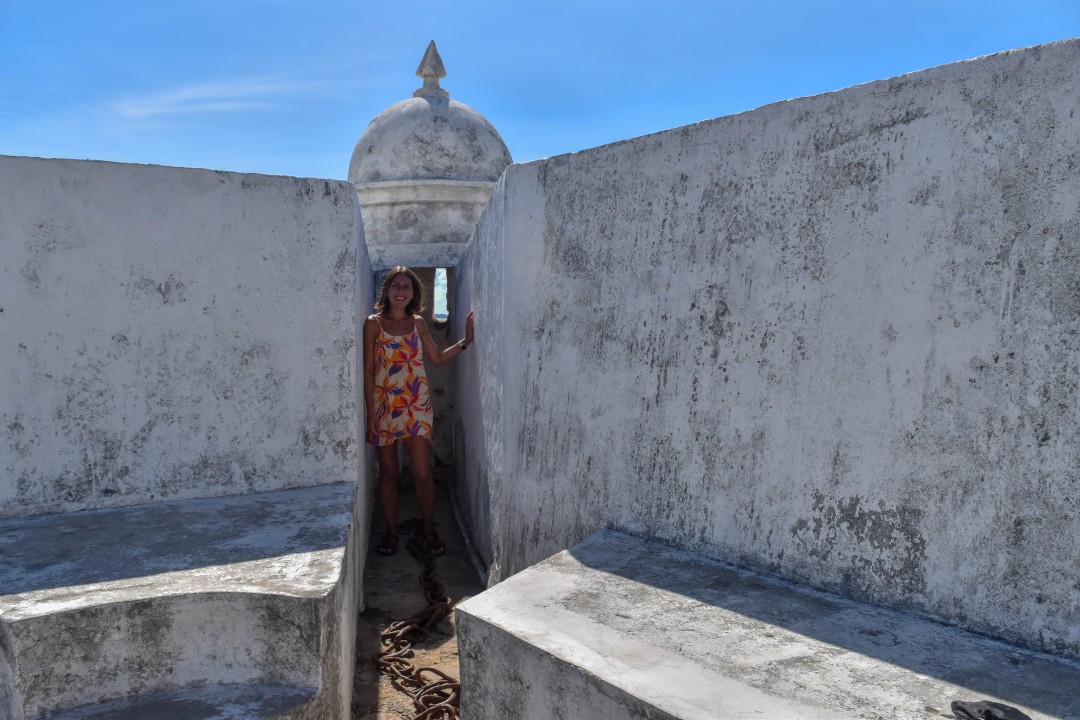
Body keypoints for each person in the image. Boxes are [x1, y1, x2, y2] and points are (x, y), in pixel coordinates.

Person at [363, 266, 474, 557]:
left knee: (422, 473)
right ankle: (390, 532)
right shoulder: (373, 324)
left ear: (414, 294)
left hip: (416, 405)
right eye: (396, 285)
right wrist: (371, 415)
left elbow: (436, 359)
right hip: (385, 405)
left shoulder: (418, 324)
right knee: (388, 473)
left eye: (407, 287)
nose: (401, 291)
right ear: (387, 291)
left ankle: (428, 529)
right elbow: (367, 372)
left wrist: (466, 342)